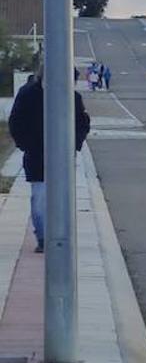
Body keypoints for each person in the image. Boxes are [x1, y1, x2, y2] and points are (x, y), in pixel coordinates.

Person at [6, 60, 91, 253]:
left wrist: (74, 145)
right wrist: (26, 145)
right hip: (37, 156)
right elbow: (16, 122)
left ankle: (60, 236)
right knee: (40, 199)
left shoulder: (72, 97)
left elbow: (82, 123)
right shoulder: (28, 95)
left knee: (62, 199)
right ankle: (44, 237)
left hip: (62, 158)